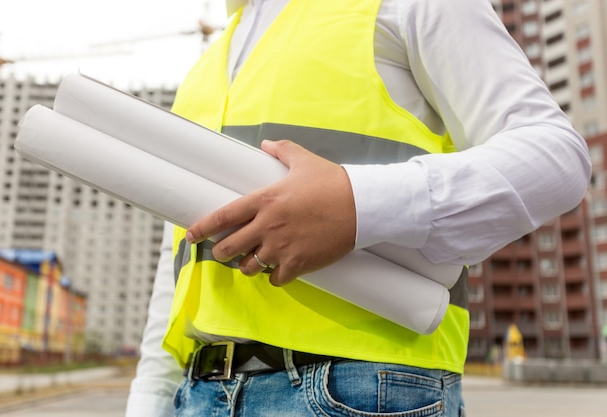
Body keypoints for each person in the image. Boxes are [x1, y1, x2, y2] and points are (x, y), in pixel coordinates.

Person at [126, 0, 591, 416]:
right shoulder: (214, 56)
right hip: (198, 391)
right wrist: (149, 398)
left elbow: (555, 156)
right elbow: (187, 255)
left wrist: (356, 204)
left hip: (359, 390)